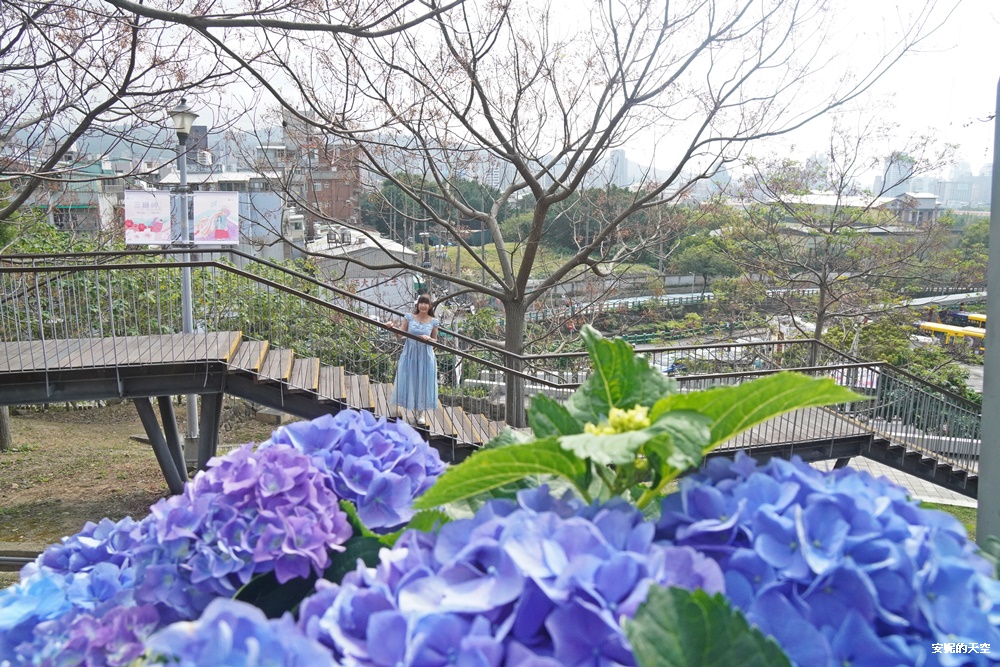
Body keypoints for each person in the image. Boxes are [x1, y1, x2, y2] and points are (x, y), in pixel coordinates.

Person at [387, 294, 439, 426]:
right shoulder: (409, 318)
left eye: (426, 303)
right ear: (417, 304)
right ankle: (410, 407)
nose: (423, 305)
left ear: (430, 306)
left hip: (425, 356)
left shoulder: (433, 321)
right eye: (421, 302)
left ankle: (420, 413)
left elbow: (435, 341)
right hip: (410, 354)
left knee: (423, 382)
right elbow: (400, 335)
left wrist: (429, 339)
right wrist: (392, 327)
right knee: (411, 379)